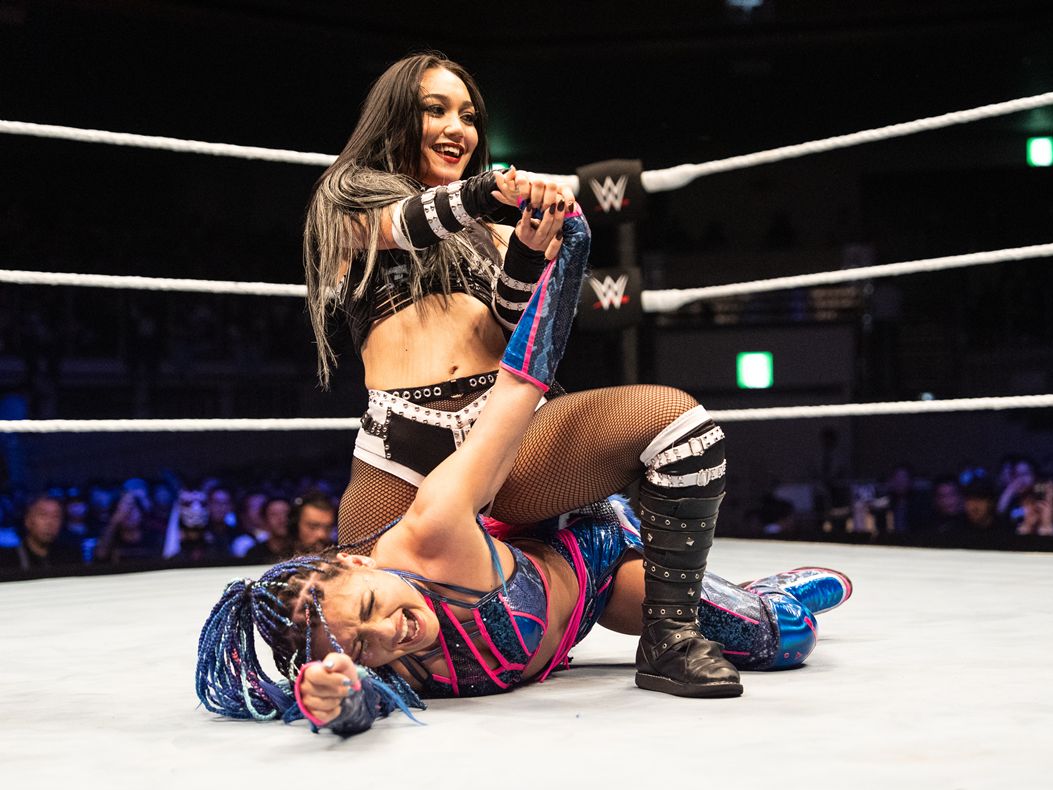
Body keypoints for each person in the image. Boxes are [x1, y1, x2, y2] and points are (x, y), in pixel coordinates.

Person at [196, 294, 853, 734]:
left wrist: (560, 270)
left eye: (371, 606)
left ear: (361, 562)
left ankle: (774, 592)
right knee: (770, 636)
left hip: (592, 550)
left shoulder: (432, 534)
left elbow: (514, 395)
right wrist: (340, 702)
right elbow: (368, 703)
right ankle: (746, 592)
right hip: (576, 614)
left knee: (781, 639)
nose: (390, 631)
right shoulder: (381, 663)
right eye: (362, 645)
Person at [302, 51, 747, 697]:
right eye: (435, 110)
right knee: (355, 623)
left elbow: (511, 330)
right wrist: (489, 190)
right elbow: (406, 225)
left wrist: (528, 251)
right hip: (401, 446)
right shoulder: (346, 200)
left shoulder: (489, 229)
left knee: (685, 437)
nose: (457, 128)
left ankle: (671, 638)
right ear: (394, 117)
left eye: (468, 116)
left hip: (509, 437)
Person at [0, 493, 77, 572]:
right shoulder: (8, 560)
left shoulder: (70, 558)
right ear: (27, 521)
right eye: (43, 515)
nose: (50, 523)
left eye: (56, 516)